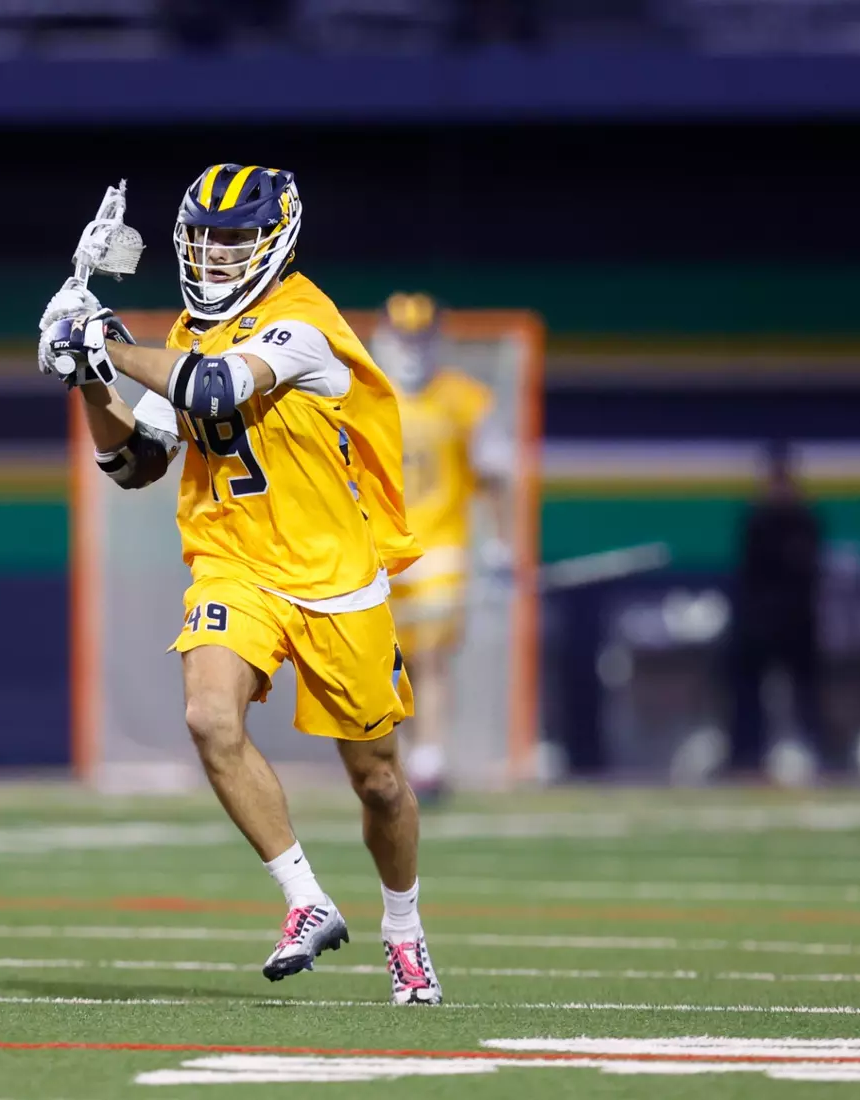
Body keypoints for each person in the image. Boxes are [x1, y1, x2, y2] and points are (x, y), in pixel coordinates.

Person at [37, 164, 443, 1005]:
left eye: (234, 241)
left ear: (276, 242)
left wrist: (101, 341)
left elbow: (212, 385)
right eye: (204, 241)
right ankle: (305, 901)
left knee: (380, 782)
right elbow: (134, 462)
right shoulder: (188, 331)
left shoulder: (304, 325)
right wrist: (88, 379)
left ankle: (404, 930)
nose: (216, 258)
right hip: (235, 562)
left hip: (334, 577)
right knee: (207, 715)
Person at [368, 291, 513, 803]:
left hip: (440, 546)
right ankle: (408, 758)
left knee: (430, 654)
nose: (412, 349)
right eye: (403, 337)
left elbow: (495, 474)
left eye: (420, 338)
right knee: (389, 663)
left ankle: (431, 757)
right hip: (380, 549)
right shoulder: (362, 394)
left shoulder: (463, 399)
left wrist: (500, 545)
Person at [727, 445, 823, 778]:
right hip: (760, 624)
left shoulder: (805, 521)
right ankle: (747, 756)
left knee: (805, 693)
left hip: (797, 623)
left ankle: (810, 752)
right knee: (747, 691)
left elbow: (808, 573)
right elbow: (750, 574)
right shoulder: (756, 520)